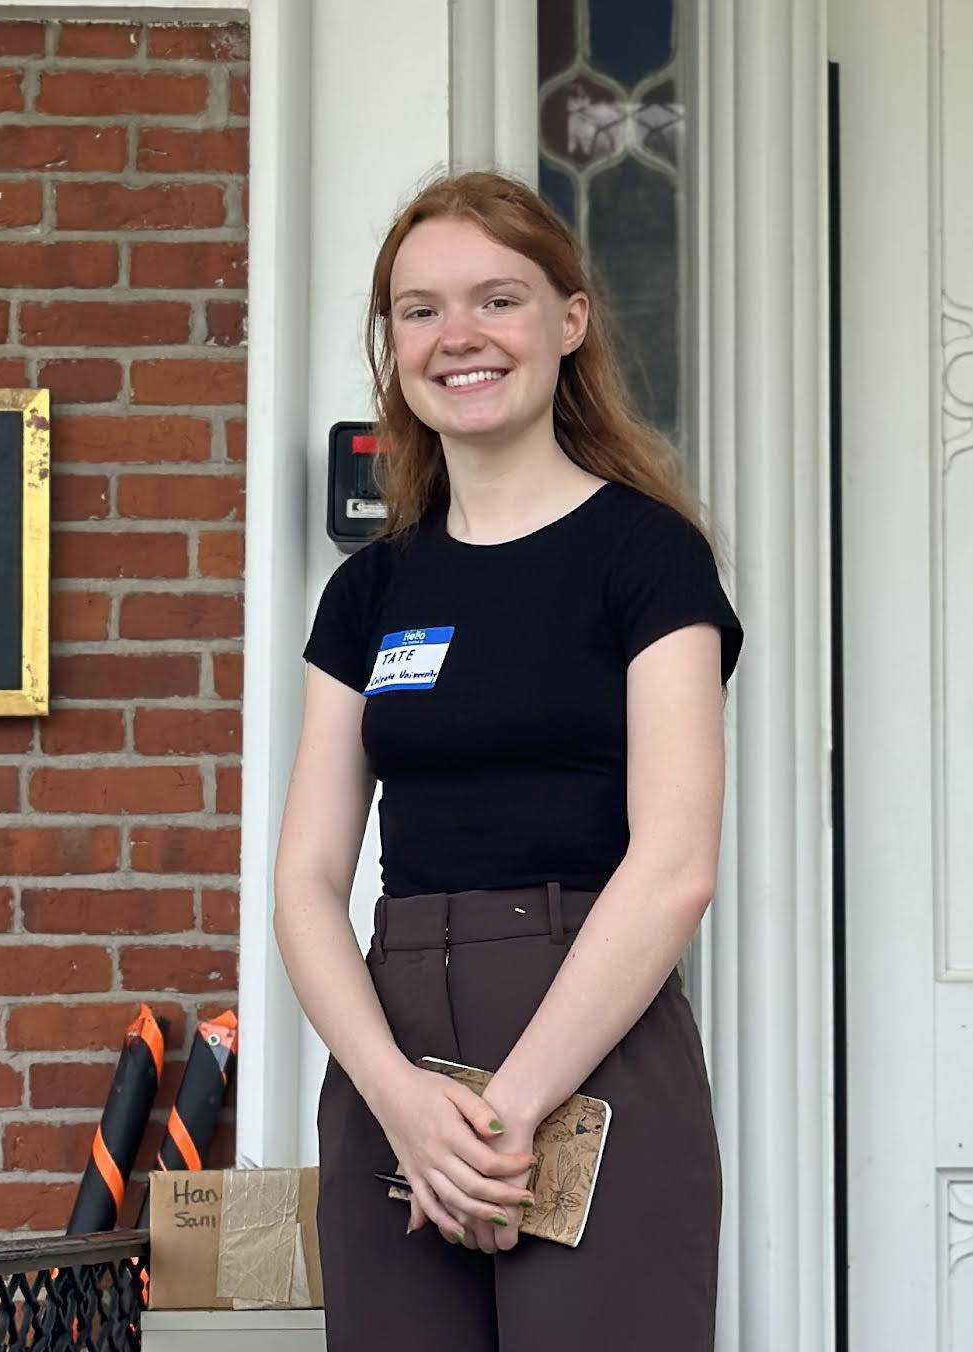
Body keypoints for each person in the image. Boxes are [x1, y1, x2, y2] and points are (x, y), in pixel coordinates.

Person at [273, 169, 743, 1351]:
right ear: (392, 344)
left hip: (591, 1045)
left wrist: (506, 1107)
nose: (459, 337)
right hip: (399, 1068)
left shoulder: (647, 557)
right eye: (420, 309)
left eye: (498, 299)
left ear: (570, 321)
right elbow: (306, 879)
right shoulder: (370, 590)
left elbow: (676, 863)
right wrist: (397, 1097)